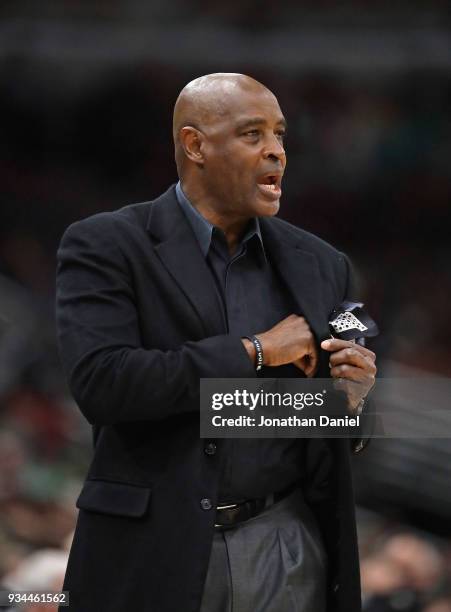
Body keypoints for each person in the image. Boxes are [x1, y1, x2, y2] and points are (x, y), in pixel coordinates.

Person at [55, 73, 376, 612]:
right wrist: (254, 352)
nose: (275, 151)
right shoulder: (106, 243)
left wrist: (353, 401)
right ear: (195, 144)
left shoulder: (325, 265)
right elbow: (103, 384)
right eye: (253, 135)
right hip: (157, 540)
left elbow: (334, 414)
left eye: (280, 136)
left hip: (286, 539)